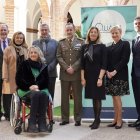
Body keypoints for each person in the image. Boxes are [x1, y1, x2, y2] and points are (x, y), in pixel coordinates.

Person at [16, 46, 51, 133]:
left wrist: (38, 86)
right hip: (25, 90)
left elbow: (47, 81)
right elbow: (18, 79)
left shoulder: (43, 66)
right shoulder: (24, 64)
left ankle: (42, 123)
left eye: (35, 52)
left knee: (42, 94)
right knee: (37, 94)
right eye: (31, 52)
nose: (33, 54)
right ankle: (32, 123)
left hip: (40, 90)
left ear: (38, 54)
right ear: (29, 54)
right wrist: (29, 86)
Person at [57, 22, 84, 126]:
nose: (69, 31)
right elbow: (58, 56)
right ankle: (65, 119)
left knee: (77, 97)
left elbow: (82, 57)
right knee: (64, 97)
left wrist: (73, 67)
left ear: (74, 30)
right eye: (67, 30)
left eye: (70, 29)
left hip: (76, 74)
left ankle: (77, 119)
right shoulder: (61, 43)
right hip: (64, 74)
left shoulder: (81, 42)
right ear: (65, 31)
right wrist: (66, 67)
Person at [81, 26, 107, 129]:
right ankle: (96, 119)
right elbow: (82, 65)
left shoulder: (102, 47)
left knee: (97, 98)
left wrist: (100, 78)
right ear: (88, 34)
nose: (93, 34)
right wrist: (83, 78)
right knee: (93, 97)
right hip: (88, 76)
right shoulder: (85, 47)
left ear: (98, 34)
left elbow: (104, 64)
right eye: (91, 32)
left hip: (98, 75)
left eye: (95, 32)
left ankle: (97, 120)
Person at [106, 25, 130, 129]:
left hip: (120, 75)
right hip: (110, 75)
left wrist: (114, 71)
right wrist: (107, 71)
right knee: (114, 98)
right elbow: (106, 61)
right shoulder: (109, 47)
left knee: (117, 97)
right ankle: (115, 119)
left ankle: (119, 120)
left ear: (120, 33)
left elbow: (125, 60)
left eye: (116, 33)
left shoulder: (125, 44)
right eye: (113, 33)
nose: (114, 35)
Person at [2, 31, 28, 121]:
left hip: (22, 77)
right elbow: (5, 63)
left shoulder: (25, 49)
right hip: (10, 76)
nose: (19, 39)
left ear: (23, 39)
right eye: (17, 38)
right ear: (14, 38)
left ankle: (17, 114)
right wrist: (5, 76)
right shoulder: (8, 49)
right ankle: (9, 115)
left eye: (21, 38)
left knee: (19, 95)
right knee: (8, 96)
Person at [32, 23, 58, 100]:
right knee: (39, 94)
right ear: (40, 31)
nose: (44, 31)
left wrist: (49, 67)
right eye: (42, 30)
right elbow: (32, 56)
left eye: (45, 30)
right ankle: (40, 112)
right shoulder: (35, 43)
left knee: (50, 95)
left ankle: (49, 111)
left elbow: (57, 57)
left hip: (51, 73)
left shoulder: (55, 43)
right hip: (38, 73)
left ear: (49, 30)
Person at [128, 16, 140, 131]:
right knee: (137, 97)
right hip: (135, 74)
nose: (137, 25)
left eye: (139, 23)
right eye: (136, 24)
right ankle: (139, 118)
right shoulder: (134, 39)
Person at [0, 23, 11, 120]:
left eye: (4, 30)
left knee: (7, 94)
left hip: (9, 74)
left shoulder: (12, 42)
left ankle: (8, 114)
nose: (3, 31)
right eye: (1, 30)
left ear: (8, 31)